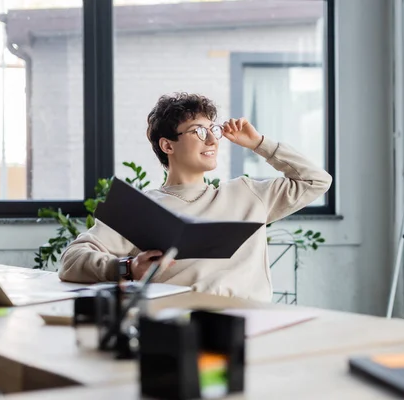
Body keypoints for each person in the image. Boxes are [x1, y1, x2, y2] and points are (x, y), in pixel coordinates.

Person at [58, 92, 332, 302]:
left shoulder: (247, 194)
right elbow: (71, 260)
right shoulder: (141, 209)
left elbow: (316, 180)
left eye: (212, 130)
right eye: (198, 131)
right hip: (177, 326)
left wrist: (261, 144)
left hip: (249, 323)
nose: (212, 140)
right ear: (167, 145)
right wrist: (127, 267)